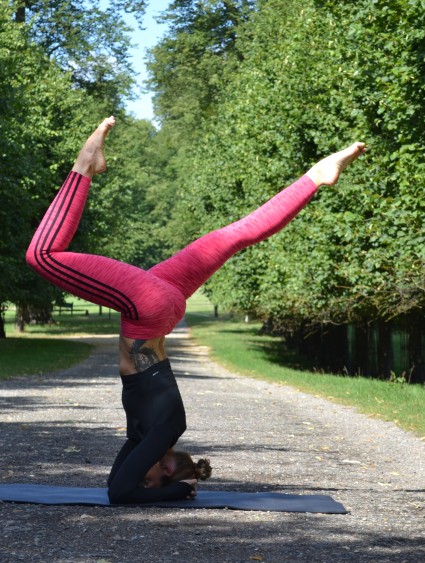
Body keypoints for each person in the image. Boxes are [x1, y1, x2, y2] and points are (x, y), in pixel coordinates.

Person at [26, 116, 366, 504]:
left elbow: (114, 485)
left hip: (159, 304)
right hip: (149, 308)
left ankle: (315, 177)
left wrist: (164, 485)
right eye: (150, 479)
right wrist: (178, 490)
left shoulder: (145, 436)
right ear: (167, 467)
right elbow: (122, 495)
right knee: (42, 255)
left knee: (233, 236)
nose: (142, 476)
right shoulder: (166, 430)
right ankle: (85, 164)